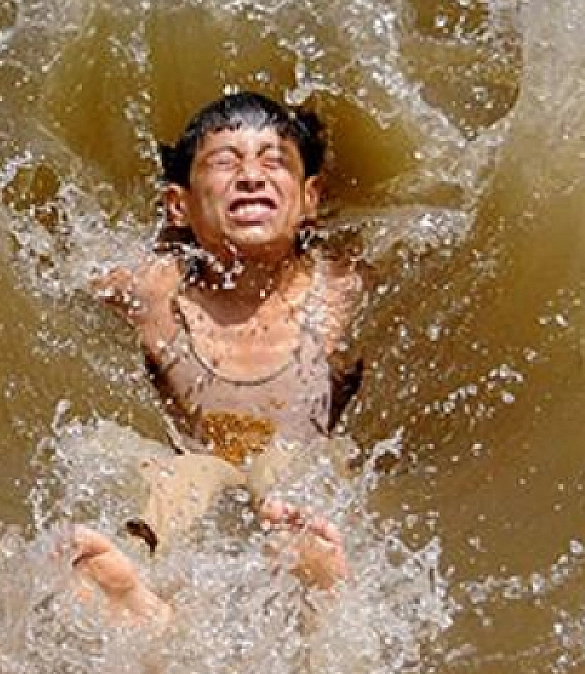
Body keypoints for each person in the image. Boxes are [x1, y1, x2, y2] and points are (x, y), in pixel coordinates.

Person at [68, 91, 367, 623]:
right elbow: (54, 273)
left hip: (302, 464)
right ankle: (136, 587)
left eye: (274, 161)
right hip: (195, 456)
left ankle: (317, 575)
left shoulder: (339, 291)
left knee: (291, 469)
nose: (252, 176)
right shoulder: (156, 293)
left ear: (310, 197)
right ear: (178, 205)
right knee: (172, 475)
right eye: (225, 161)